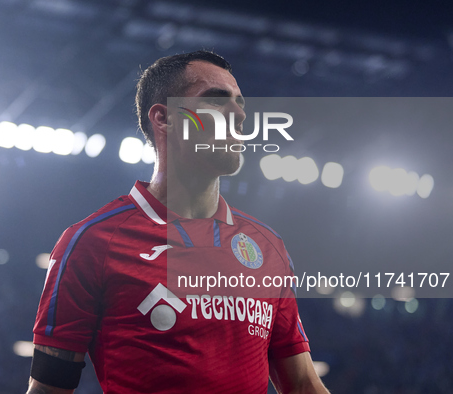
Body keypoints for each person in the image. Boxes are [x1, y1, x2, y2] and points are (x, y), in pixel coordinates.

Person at [26, 50, 329, 394]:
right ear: (164, 119)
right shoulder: (91, 242)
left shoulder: (267, 246)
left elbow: (303, 384)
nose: (239, 114)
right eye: (217, 101)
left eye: (240, 103)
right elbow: (48, 390)